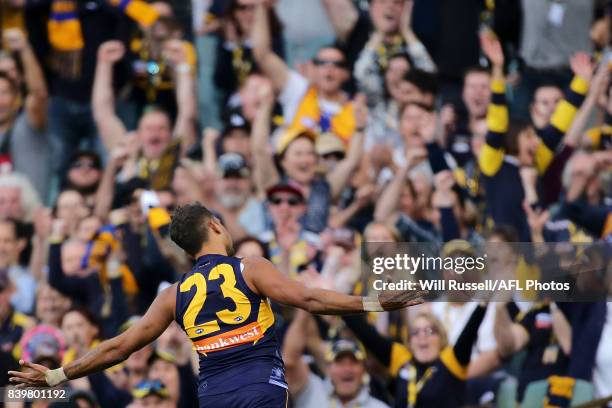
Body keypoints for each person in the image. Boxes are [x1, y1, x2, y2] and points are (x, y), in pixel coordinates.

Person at [8, 202, 424, 408]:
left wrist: (59, 374)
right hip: (262, 387)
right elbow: (310, 298)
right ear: (215, 225)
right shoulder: (249, 267)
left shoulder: (172, 295)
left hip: (215, 398)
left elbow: (120, 347)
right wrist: (375, 302)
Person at [283, 310, 389, 408]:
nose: (347, 369)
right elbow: (289, 361)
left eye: (353, 362)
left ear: (364, 369)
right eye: (340, 362)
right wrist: (305, 304)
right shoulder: (312, 391)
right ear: (328, 368)